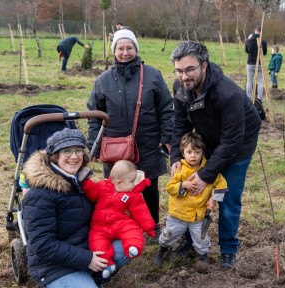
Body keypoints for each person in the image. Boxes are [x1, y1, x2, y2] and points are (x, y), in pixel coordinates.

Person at [170, 41, 261, 269]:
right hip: (207, 140)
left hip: (239, 145)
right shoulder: (181, 88)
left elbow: (231, 142)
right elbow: (179, 125)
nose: (184, 76)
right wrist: (174, 159)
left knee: (226, 197)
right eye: (179, 70)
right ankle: (191, 240)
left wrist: (206, 174)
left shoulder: (226, 93)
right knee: (191, 190)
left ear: (204, 65)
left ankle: (228, 249)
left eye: (190, 69)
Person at [22, 128, 129, 288]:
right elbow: (42, 245)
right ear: (55, 156)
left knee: (128, 244)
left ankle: (91, 282)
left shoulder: (79, 181)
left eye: (78, 150)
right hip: (53, 265)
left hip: (82, 247)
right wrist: (87, 259)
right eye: (67, 151)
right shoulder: (40, 195)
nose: (74, 156)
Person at [87, 29, 174, 241]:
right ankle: (119, 226)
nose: (125, 52)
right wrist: (94, 146)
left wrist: (167, 138)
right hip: (114, 144)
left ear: (136, 49)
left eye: (129, 48)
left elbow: (166, 108)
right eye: (120, 48)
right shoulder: (103, 80)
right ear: (113, 51)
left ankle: (152, 226)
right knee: (116, 187)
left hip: (148, 141)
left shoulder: (152, 75)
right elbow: (94, 115)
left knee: (148, 185)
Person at [153, 132, 228, 266]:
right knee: (169, 234)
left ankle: (203, 257)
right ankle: (161, 250)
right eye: (189, 152)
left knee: (201, 238)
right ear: (183, 153)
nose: (193, 155)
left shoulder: (209, 168)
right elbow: (170, 187)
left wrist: (213, 199)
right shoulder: (180, 169)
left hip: (197, 215)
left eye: (197, 152)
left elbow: (221, 184)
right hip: (178, 214)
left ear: (202, 152)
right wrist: (183, 185)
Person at [82, 160, 156, 279]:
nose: (133, 184)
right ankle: (107, 265)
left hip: (120, 223)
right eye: (131, 181)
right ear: (119, 182)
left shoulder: (132, 195)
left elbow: (141, 211)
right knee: (97, 244)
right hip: (99, 227)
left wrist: (149, 228)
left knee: (132, 229)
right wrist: (86, 183)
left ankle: (133, 245)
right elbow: (92, 191)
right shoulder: (102, 186)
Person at [245, 26, 267, 103]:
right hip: (259, 64)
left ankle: (248, 97)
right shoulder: (263, 42)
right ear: (261, 32)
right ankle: (260, 98)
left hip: (250, 63)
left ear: (255, 31)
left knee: (249, 81)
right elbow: (264, 53)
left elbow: (247, 51)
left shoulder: (249, 41)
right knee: (260, 81)